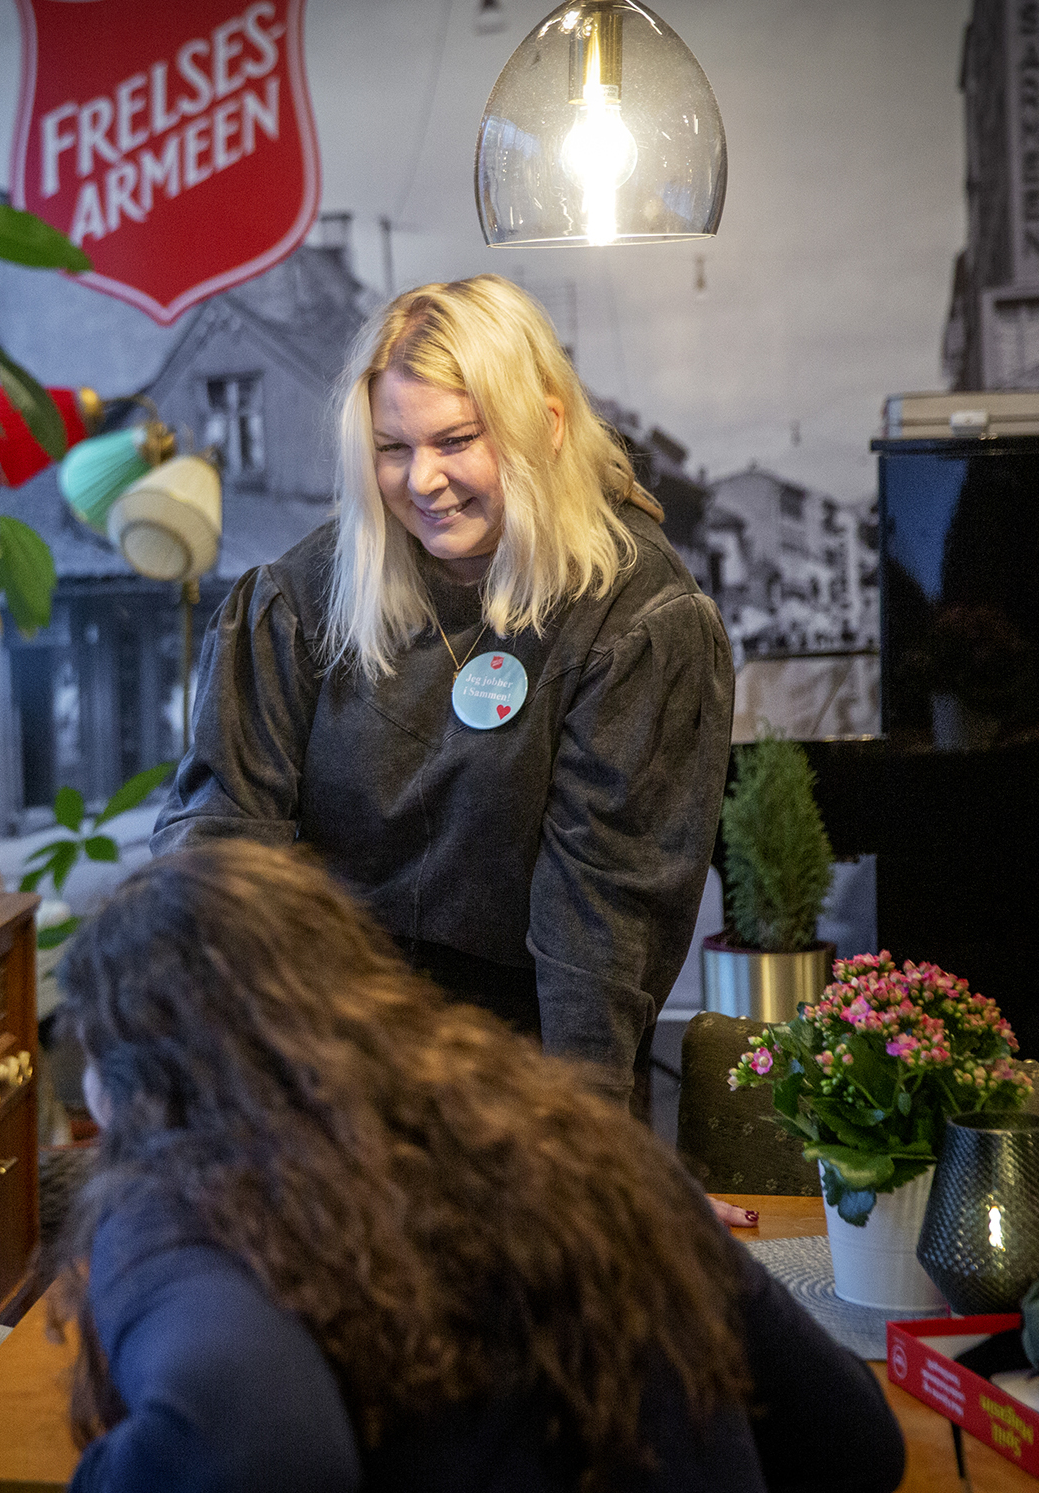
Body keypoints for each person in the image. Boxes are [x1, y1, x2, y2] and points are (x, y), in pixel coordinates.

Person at [55, 841, 906, 1493]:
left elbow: (253, 1442)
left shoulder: (174, 1210)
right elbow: (859, 1445)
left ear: (147, 1082)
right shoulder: (590, 1155)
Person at [153, 274, 734, 1110]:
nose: (423, 480)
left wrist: (582, 1145)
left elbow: (601, 918)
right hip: (320, 1048)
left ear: (547, 424)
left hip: (524, 1071)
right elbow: (222, 850)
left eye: (458, 439)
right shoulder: (301, 597)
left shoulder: (636, 617)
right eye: (393, 448)